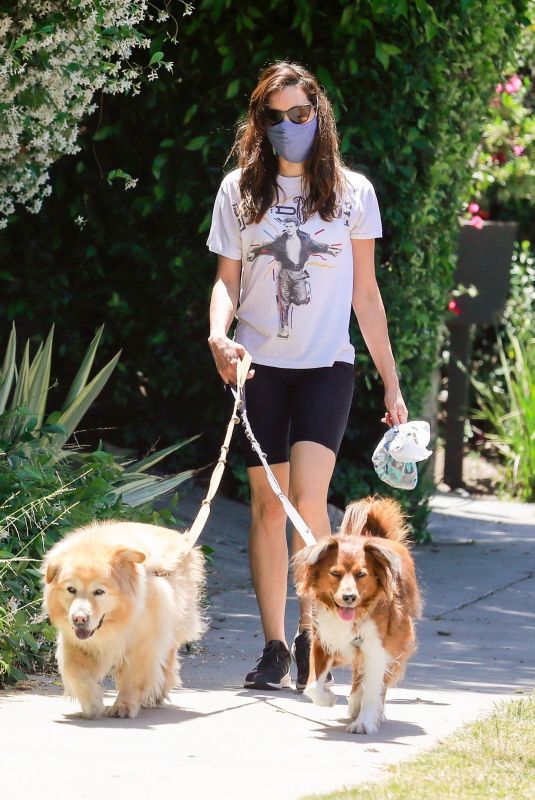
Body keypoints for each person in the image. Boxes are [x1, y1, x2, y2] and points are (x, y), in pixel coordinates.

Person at [206, 61, 408, 691]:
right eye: (275, 117)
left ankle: (314, 630)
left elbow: (367, 293)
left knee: (308, 500)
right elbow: (226, 281)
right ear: (258, 123)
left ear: (319, 115)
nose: (289, 126)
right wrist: (219, 336)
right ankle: (275, 647)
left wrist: (392, 384)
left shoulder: (353, 193)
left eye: (300, 114)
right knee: (267, 507)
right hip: (258, 367)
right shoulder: (239, 190)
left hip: (327, 368)